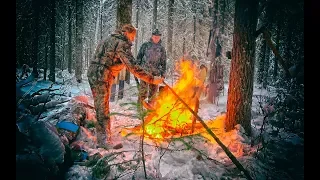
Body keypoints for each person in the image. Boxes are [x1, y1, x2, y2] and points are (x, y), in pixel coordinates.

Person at [87, 24, 164, 148]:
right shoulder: (121, 43)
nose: (133, 39)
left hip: (98, 74)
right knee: (102, 107)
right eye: (132, 36)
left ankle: (104, 134)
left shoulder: (110, 39)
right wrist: (151, 79)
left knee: (102, 105)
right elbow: (133, 66)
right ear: (126, 33)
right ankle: (103, 140)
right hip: (101, 75)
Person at [136, 28, 167, 108]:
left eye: (158, 36)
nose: (156, 38)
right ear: (152, 36)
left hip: (155, 75)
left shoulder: (162, 49)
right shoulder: (145, 45)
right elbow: (139, 57)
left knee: (153, 94)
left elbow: (163, 63)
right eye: (155, 36)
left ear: (160, 37)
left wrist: (163, 74)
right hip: (144, 73)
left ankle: (150, 112)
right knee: (143, 92)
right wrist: (137, 70)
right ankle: (140, 110)